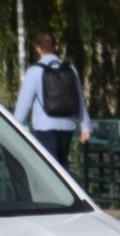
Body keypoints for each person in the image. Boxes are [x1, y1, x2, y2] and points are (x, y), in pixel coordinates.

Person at [12, 32, 90, 169]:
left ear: (38, 48)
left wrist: (13, 126)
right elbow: (79, 99)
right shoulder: (71, 70)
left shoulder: (34, 72)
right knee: (62, 167)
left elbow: (23, 105)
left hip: (45, 127)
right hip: (67, 126)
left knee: (50, 169)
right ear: (56, 47)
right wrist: (85, 127)